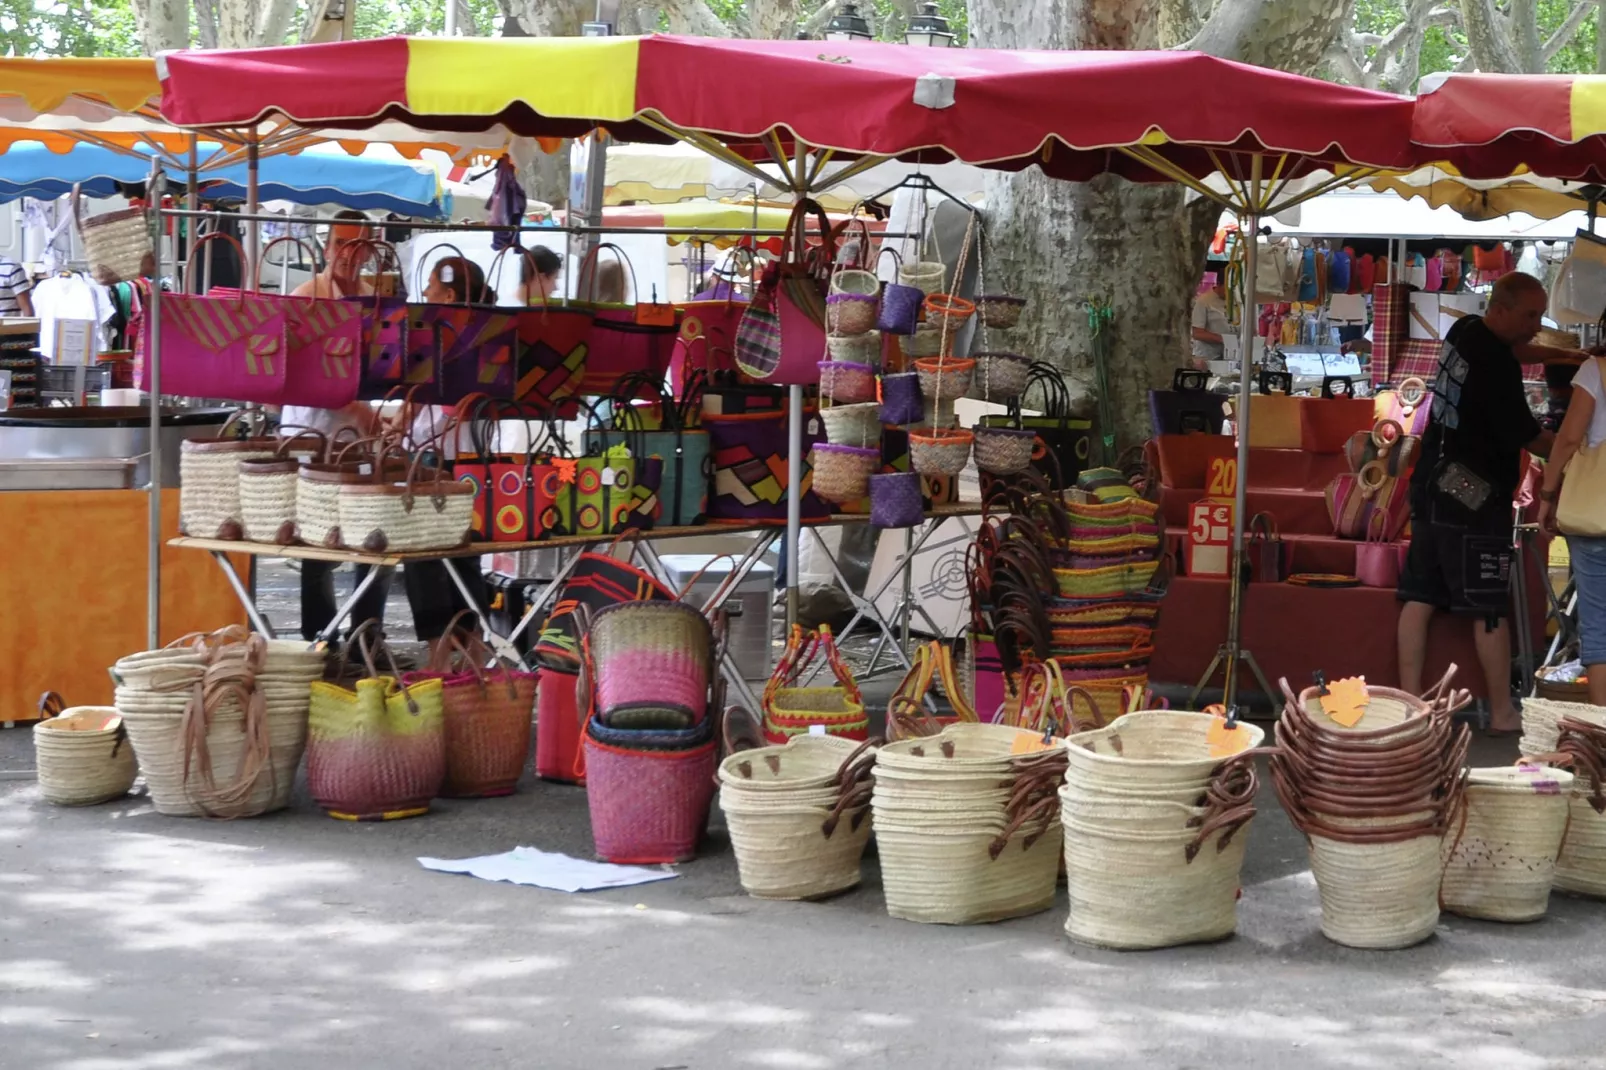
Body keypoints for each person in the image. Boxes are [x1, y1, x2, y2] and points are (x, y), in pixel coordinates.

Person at [1397, 272, 1555, 734]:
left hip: (1428, 482)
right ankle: (1503, 713)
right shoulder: (1497, 368)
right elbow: (1530, 436)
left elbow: (1517, 349)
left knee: (1419, 595)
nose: (1536, 324)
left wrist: (1568, 355)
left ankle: (1409, 702)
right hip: (1472, 496)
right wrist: (1575, 449)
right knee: (1488, 606)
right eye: (1530, 315)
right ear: (1502, 309)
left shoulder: (1465, 329)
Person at [282, 211, 394, 643]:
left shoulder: (375, 300)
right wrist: (365, 412)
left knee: (375, 535)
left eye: (358, 245)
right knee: (317, 544)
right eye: (341, 244)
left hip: (361, 439)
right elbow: (305, 375)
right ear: (327, 248)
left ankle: (367, 636)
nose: (349, 254)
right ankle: (320, 639)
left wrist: (383, 414)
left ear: (369, 250)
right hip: (313, 435)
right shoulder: (305, 296)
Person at [402, 255, 491, 655]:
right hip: (464, 459)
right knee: (462, 555)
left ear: (449, 293)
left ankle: (440, 654)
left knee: (425, 558)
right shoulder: (484, 336)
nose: (425, 293)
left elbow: (451, 407)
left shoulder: (451, 342)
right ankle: (470, 648)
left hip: (438, 458)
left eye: (432, 285)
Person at [1537, 351, 1606, 705]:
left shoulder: (1597, 369)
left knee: (1599, 625)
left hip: (1597, 513)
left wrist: (1547, 494)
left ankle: (1602, 738)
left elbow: (1567, 438)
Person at [1189, 272, 1230, 368]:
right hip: (1208, 357)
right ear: (1219, 284)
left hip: (1233, 356)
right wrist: (1222, 339)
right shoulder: (1204, 301)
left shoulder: (1241, 300)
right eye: (1228, 288)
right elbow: (1197, 333)